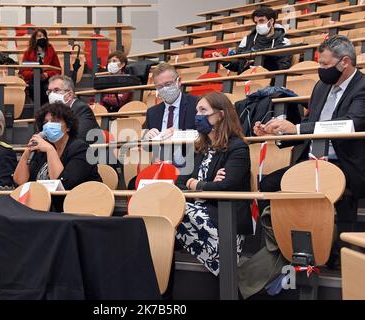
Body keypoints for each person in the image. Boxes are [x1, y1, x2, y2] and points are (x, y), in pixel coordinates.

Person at [253, 35, 365, 268]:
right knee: (269, 186)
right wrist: (278, 132)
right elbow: (308, 125)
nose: (320, 70)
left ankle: (337, 255)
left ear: (345, 62)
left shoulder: (362, 87)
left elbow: (350, 123)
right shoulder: (321, 86)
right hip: (310, 159)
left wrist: (297, 128)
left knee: (339, 192)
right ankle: (283, 247)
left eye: (325, 64)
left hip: (344, 162)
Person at [175, 91, 252, 276]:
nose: (198, 116)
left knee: (174, 206)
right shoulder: (199, 148)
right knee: (168, 206)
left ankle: (229, 271)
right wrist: (206, 183)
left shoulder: (237, 147)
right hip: (197, 213)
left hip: (224, 217)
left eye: (203, 110)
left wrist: (195, 184)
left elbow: (225, 187)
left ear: (221, 114)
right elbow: (179, 183)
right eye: (197, 111)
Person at [13, 102, 102, 211]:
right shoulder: (43, 149)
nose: (49, 125)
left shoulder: (81, 149)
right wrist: (27, 152)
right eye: (45, 122)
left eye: (55, 121)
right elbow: (20, 182)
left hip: (78, 207)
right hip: (45, 208)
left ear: (68, 127)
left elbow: (62, 185)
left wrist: (50, 150)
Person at [213, 7, 292, 74]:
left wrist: (261, 64)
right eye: (256, 22)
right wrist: (224, 60)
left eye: (261, 21)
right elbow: (238, 65)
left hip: (270, 83)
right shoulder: (247, 40)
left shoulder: (284, 42)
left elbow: (283, 67)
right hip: (247, 80)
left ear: (271, 21)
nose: (258, 25)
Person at [143, 63, 198, 140]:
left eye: (168, 84)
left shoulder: (196, 104)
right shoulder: (152, 112)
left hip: (189, 151)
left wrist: (179, 135)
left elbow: (205, 135)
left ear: (178, 81)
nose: (164, 89)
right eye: (160, 86)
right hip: (161, 152)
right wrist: (147, 137)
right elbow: (147, 148)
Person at [47, 75, 101, 144]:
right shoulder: (53, 113)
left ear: (69, 95)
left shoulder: (81, 109)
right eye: (49, 92)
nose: (51, 95)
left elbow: (79, 138)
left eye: (56, 90)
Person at [19, 28, 61, 105]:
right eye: (39, 36)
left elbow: (58, 70)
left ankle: (42, 109)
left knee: (46, 88)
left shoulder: (51, 52)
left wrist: (46, 74)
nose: (42, 37)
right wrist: (35, 74)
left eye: (43, 36)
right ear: (34, 39)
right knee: (33, 88)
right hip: (33, 80)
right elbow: (23, 72)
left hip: (48, 80)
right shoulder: (28, 53)